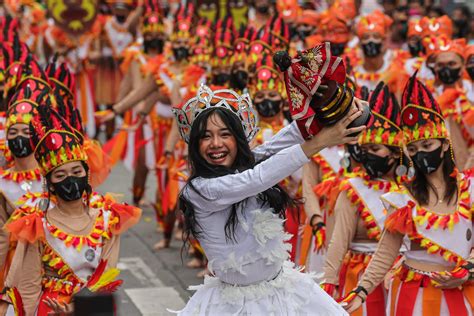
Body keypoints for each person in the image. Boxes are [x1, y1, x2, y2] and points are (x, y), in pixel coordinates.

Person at [171, 83, 365, 314]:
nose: (216, 144)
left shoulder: (239, 168)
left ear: (238, 140)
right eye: (206, 137)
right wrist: (320, 142)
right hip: (236, 305)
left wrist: (325, 112)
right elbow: (258, 178)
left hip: (283, 289)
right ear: (195, 145)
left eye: (225, 134)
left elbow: (274, 146)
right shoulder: (201, 189)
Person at [0, 73, 141, 316]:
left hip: (93, 307)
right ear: (51, 184)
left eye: (76, 171)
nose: (69, 179)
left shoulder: (108, 216)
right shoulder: (38, 223)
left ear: (86, 174)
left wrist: (76, 308)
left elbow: (108, 272)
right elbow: (29, 285)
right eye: (60, 175)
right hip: (50, 309)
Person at [342, 74, 474, 315]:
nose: (420, 154)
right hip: (413, 294)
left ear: (444, 145)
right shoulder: (403, 199)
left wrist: (468, 270)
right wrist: (360, 292)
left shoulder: (470, 189)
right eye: (413, 149)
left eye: (427, 146)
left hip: (460, 293)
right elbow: (386, 253)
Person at [321, 83, 404, 315]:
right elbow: (339, 241)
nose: (367, 155)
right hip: (361, 279)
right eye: (365, 148)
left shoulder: (412, 188)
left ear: (395, 151)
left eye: (375, 149)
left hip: (403, 276)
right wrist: (328, 283)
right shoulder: (352, 189)